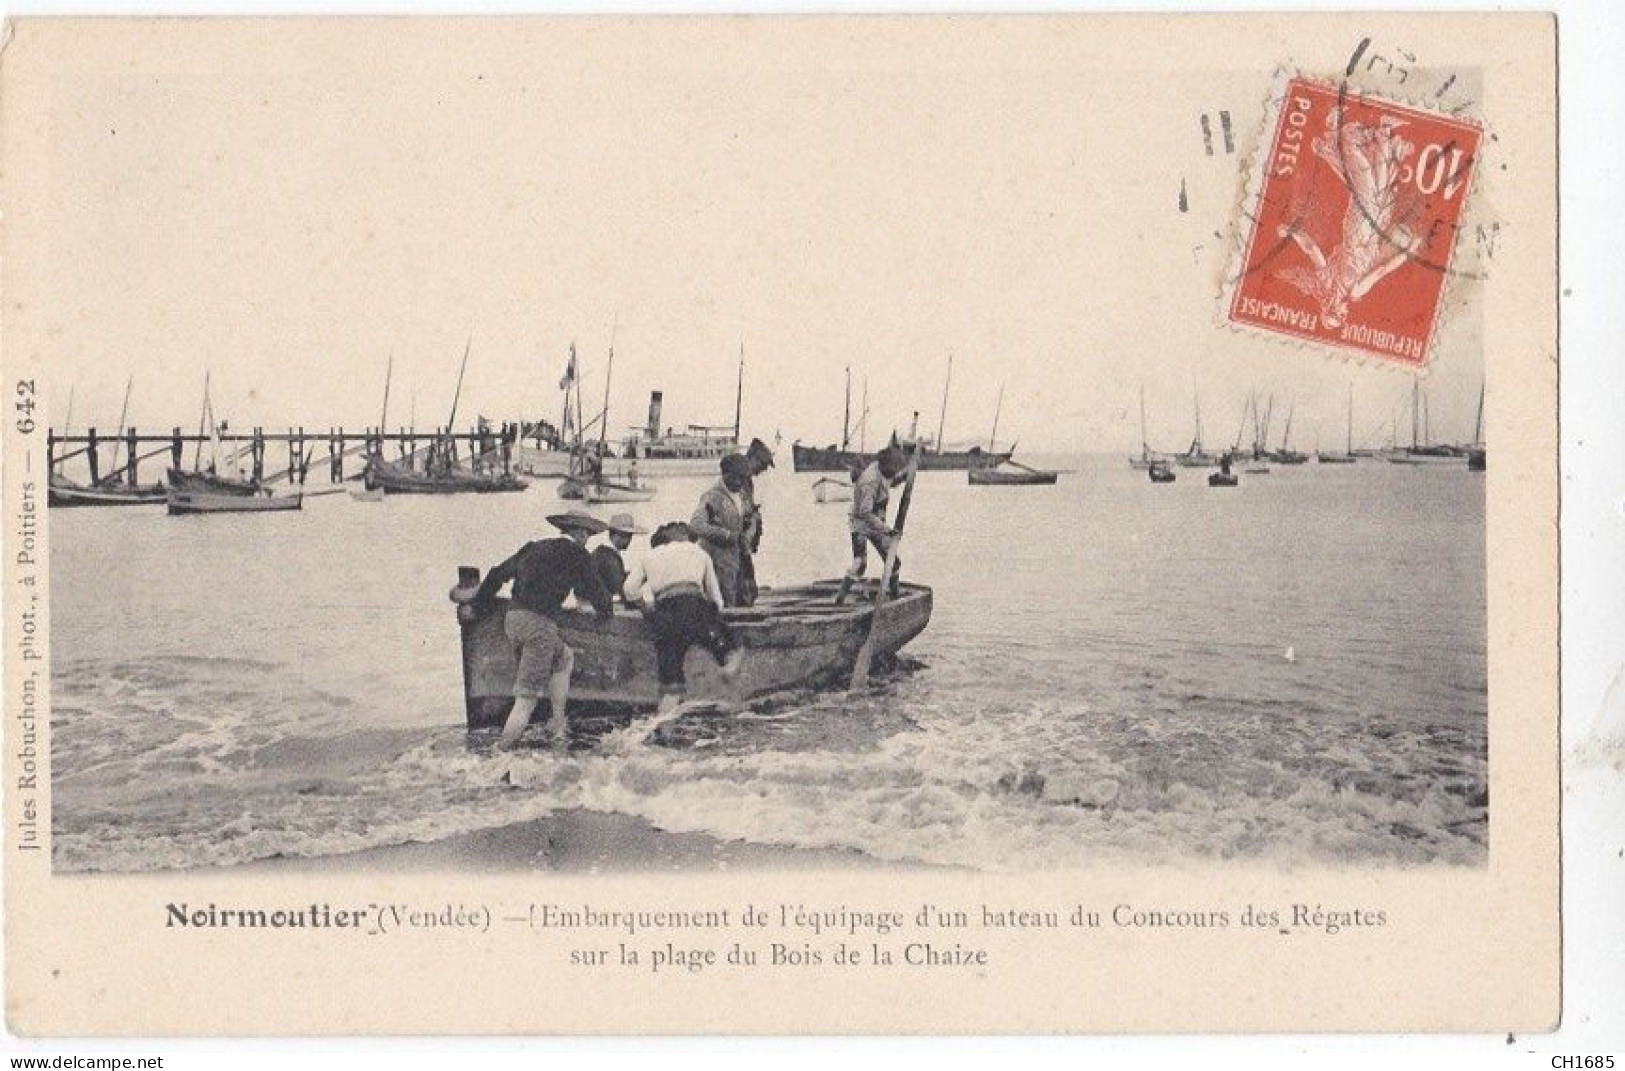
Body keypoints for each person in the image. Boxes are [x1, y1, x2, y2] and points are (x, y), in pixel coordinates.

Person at [467, 509, 615, 749]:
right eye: (587, 534)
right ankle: (502, 752)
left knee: (563, 658)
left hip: (512, 619)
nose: (587, 539)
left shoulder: (533, 547)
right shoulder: (578, 554)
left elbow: (497, 574)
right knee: (526, 699)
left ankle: (557, 724)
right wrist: (605, 614)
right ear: (578, 532)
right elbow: (598, 593)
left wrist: (477, 606)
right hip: (539, 626)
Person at [623, 522, 742, 713]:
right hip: (694, 608)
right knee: (729, 645)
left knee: (670, 684)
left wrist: (646, 611)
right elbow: (716, 598)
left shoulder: (648, 556)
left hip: (665, 614)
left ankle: (664, 728)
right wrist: (714, 616)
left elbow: (629, 589)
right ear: (682, 536)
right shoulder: (698, 552)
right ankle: (727, 664)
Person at [843, 445, 909, 600]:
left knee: (893, 561)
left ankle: (895, 597)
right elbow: (865, 513)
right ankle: (840, 599)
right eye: (894, 467)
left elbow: (890, 481)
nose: (895, 470)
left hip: (875, 521)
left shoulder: (882, 470)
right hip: (861, 522)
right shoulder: (870, 481)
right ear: (885, 464)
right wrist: (886, 530)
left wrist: (905, 475)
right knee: (860, 564)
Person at [690, 453, 749, 606]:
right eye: (734, 477)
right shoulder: (712, 497)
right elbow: (696, 525)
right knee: (720, 603)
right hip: (716, 561)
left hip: (734, 560)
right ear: (724, 474)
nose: (738, 482)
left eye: (742, 478)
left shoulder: (741, 495)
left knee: (736, 598)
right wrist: (727, 535)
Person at [733, 437, 775, 606]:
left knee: (748, 583)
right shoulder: (737, 479)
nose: (762, 470)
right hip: (735, 543)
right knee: (743, 586)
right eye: (762, 465)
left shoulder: (747, 481)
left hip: (742, 543)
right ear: (753, 459)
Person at [592, 512, 645, 601]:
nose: (629, 540)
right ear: (615, 535)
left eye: (629, 536)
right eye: (626, 536)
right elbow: (619, 587)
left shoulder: (600, 551)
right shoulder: (610, 557)